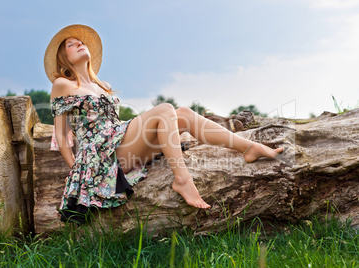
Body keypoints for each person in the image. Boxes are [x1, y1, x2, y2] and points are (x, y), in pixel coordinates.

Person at [45, 24, 284, 224]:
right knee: (164, 110)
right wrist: (81, 177)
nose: (79, 44)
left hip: (121, 141)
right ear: (64, 58)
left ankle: (248, 148)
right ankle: (183, 179)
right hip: (103, 159)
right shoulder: (63, 85)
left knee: (183, 114)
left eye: (81, 42)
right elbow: (63, 138)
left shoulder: (102, 85)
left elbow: (116, 127)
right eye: (71, 44)